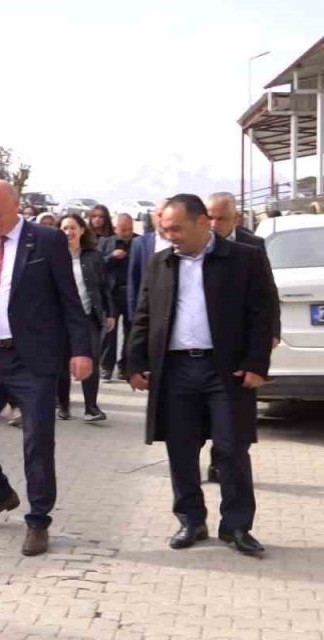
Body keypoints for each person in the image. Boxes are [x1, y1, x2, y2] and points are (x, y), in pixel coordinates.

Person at [0, 180, 93, 557]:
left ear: (16, 206)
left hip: (33, 361)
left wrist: (81, 350)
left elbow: (69, 301)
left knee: (37, 441)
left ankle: (38, 521)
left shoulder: (46, 241)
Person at [127, 194, 275, 557]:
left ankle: (237, 526)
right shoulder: (160, 263)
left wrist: (257, 364)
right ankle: (191, 520)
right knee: (180, 448)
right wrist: (133, 363)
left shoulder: (244, 259)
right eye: (165, 229)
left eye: (176, 228)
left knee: (231, 448)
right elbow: (144, 314)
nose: (170, 235)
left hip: (226, 370)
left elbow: (264, 313)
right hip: (175, 370)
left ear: (203, 222)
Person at [203, 192, 281, 483]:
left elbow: (267, 294)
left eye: (220, 218)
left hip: (241, 341)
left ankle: (224, 461)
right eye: (208, 216)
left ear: (236, 219)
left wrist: (272, 332)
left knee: (234, 411)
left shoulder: (253, 246)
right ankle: (217, 457)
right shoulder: (199, 246)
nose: (213, 224)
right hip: (207, 342)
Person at [56, 214, 115, 422]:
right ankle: (63, 404)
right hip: (61, 319)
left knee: (92, 358)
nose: (69, 232)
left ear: (81, 230)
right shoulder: (53, 256)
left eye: (73, 228)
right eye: (64, 228)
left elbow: (104, 287)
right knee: (62, 362)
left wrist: (110, 313)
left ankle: (91, 407)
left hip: (88, 316)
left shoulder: (93, 256)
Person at [98, 213, 137, 381]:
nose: (127, 233)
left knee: (132, 332)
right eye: (123, 230)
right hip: (111, 293)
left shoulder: (139, 242)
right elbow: (97, 266)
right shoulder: (105, 242)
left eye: (129, 229)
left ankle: (126, 367)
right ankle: (106, 366)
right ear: (115, 229)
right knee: (109, 332)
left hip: (132, 292)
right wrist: (111, 257)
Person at [127, 201, 169, 319]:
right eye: (159, 215)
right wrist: (133, 316)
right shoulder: (140, 244)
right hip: (148, 310)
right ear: (153, 216)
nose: (162, 220)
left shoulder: (181, 243)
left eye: (166, 216)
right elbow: (133, 282)